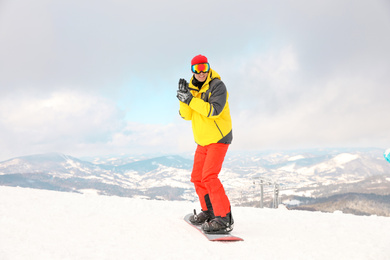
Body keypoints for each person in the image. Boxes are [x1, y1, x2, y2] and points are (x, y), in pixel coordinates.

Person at [176, 54, 234, 234]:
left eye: (203, 67)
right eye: (196, 69)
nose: (200, 72)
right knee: (197, 177)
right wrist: (184, 99)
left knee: (209, 177)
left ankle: (224, 218)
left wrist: (191, 100)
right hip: (202, 141)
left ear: (208, 67)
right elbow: (186, 115)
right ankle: (210, 212)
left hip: (218, 138)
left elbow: (213, 111)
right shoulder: (192, 90)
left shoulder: (218, 86)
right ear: (192, 71)